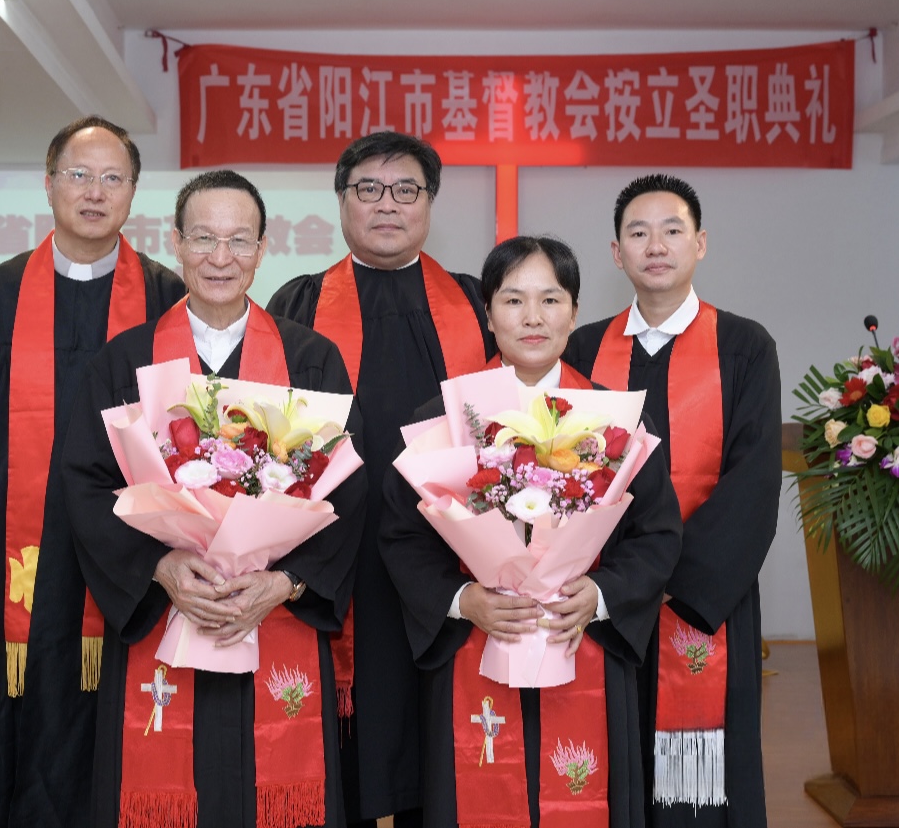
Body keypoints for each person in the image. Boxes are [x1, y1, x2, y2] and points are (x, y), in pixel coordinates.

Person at [0, 115, 187, 827]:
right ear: (49, 184)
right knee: (6, 713)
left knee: (124, 709)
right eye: (78, 175)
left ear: (134, 192)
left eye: (112, 178)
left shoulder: (166, 295)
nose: (94, 192)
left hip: (130, 552)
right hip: (13, 549)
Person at [61, 169, 368, 828]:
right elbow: (85, 483)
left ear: (263, 248)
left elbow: (350, 487)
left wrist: (287, 581)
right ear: (176, 243)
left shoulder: (312, 360)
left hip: (275, 616)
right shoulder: (125, 361)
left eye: (238, 240)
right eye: (203, 238)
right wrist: (160, 567)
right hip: (168, 613)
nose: (220, 257)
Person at [379, 235, 682, 827]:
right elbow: (400, 537)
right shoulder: (439, 417)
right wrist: (462, 600)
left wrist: (599, 596)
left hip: (582, 637)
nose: (533, 317)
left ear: (574, 312)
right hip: (475, 643)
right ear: (488, 314)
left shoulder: (614, 419)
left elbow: (657, 535)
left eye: (551, 299)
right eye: (513, 300)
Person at [267, 131, 493, 827]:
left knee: (440, 728)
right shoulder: (299, 301)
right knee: (352, 735)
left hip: (451, 554)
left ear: (429, 203)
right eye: (368, 188)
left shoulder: (476, 300)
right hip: (345, 556)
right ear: (342, 202)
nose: (386, 205)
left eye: (406, 190)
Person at [565, 175, 781, 828]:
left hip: (700, 600)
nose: (654, 245)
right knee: (608, 762)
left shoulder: (744, 346)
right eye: (638, 232)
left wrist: (659, 576)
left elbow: (753, 483)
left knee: (698, 782)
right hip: (601, 600)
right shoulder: (583, 349)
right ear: (616, 252)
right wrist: (613, 582)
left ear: (701, 243)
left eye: (672, 229)